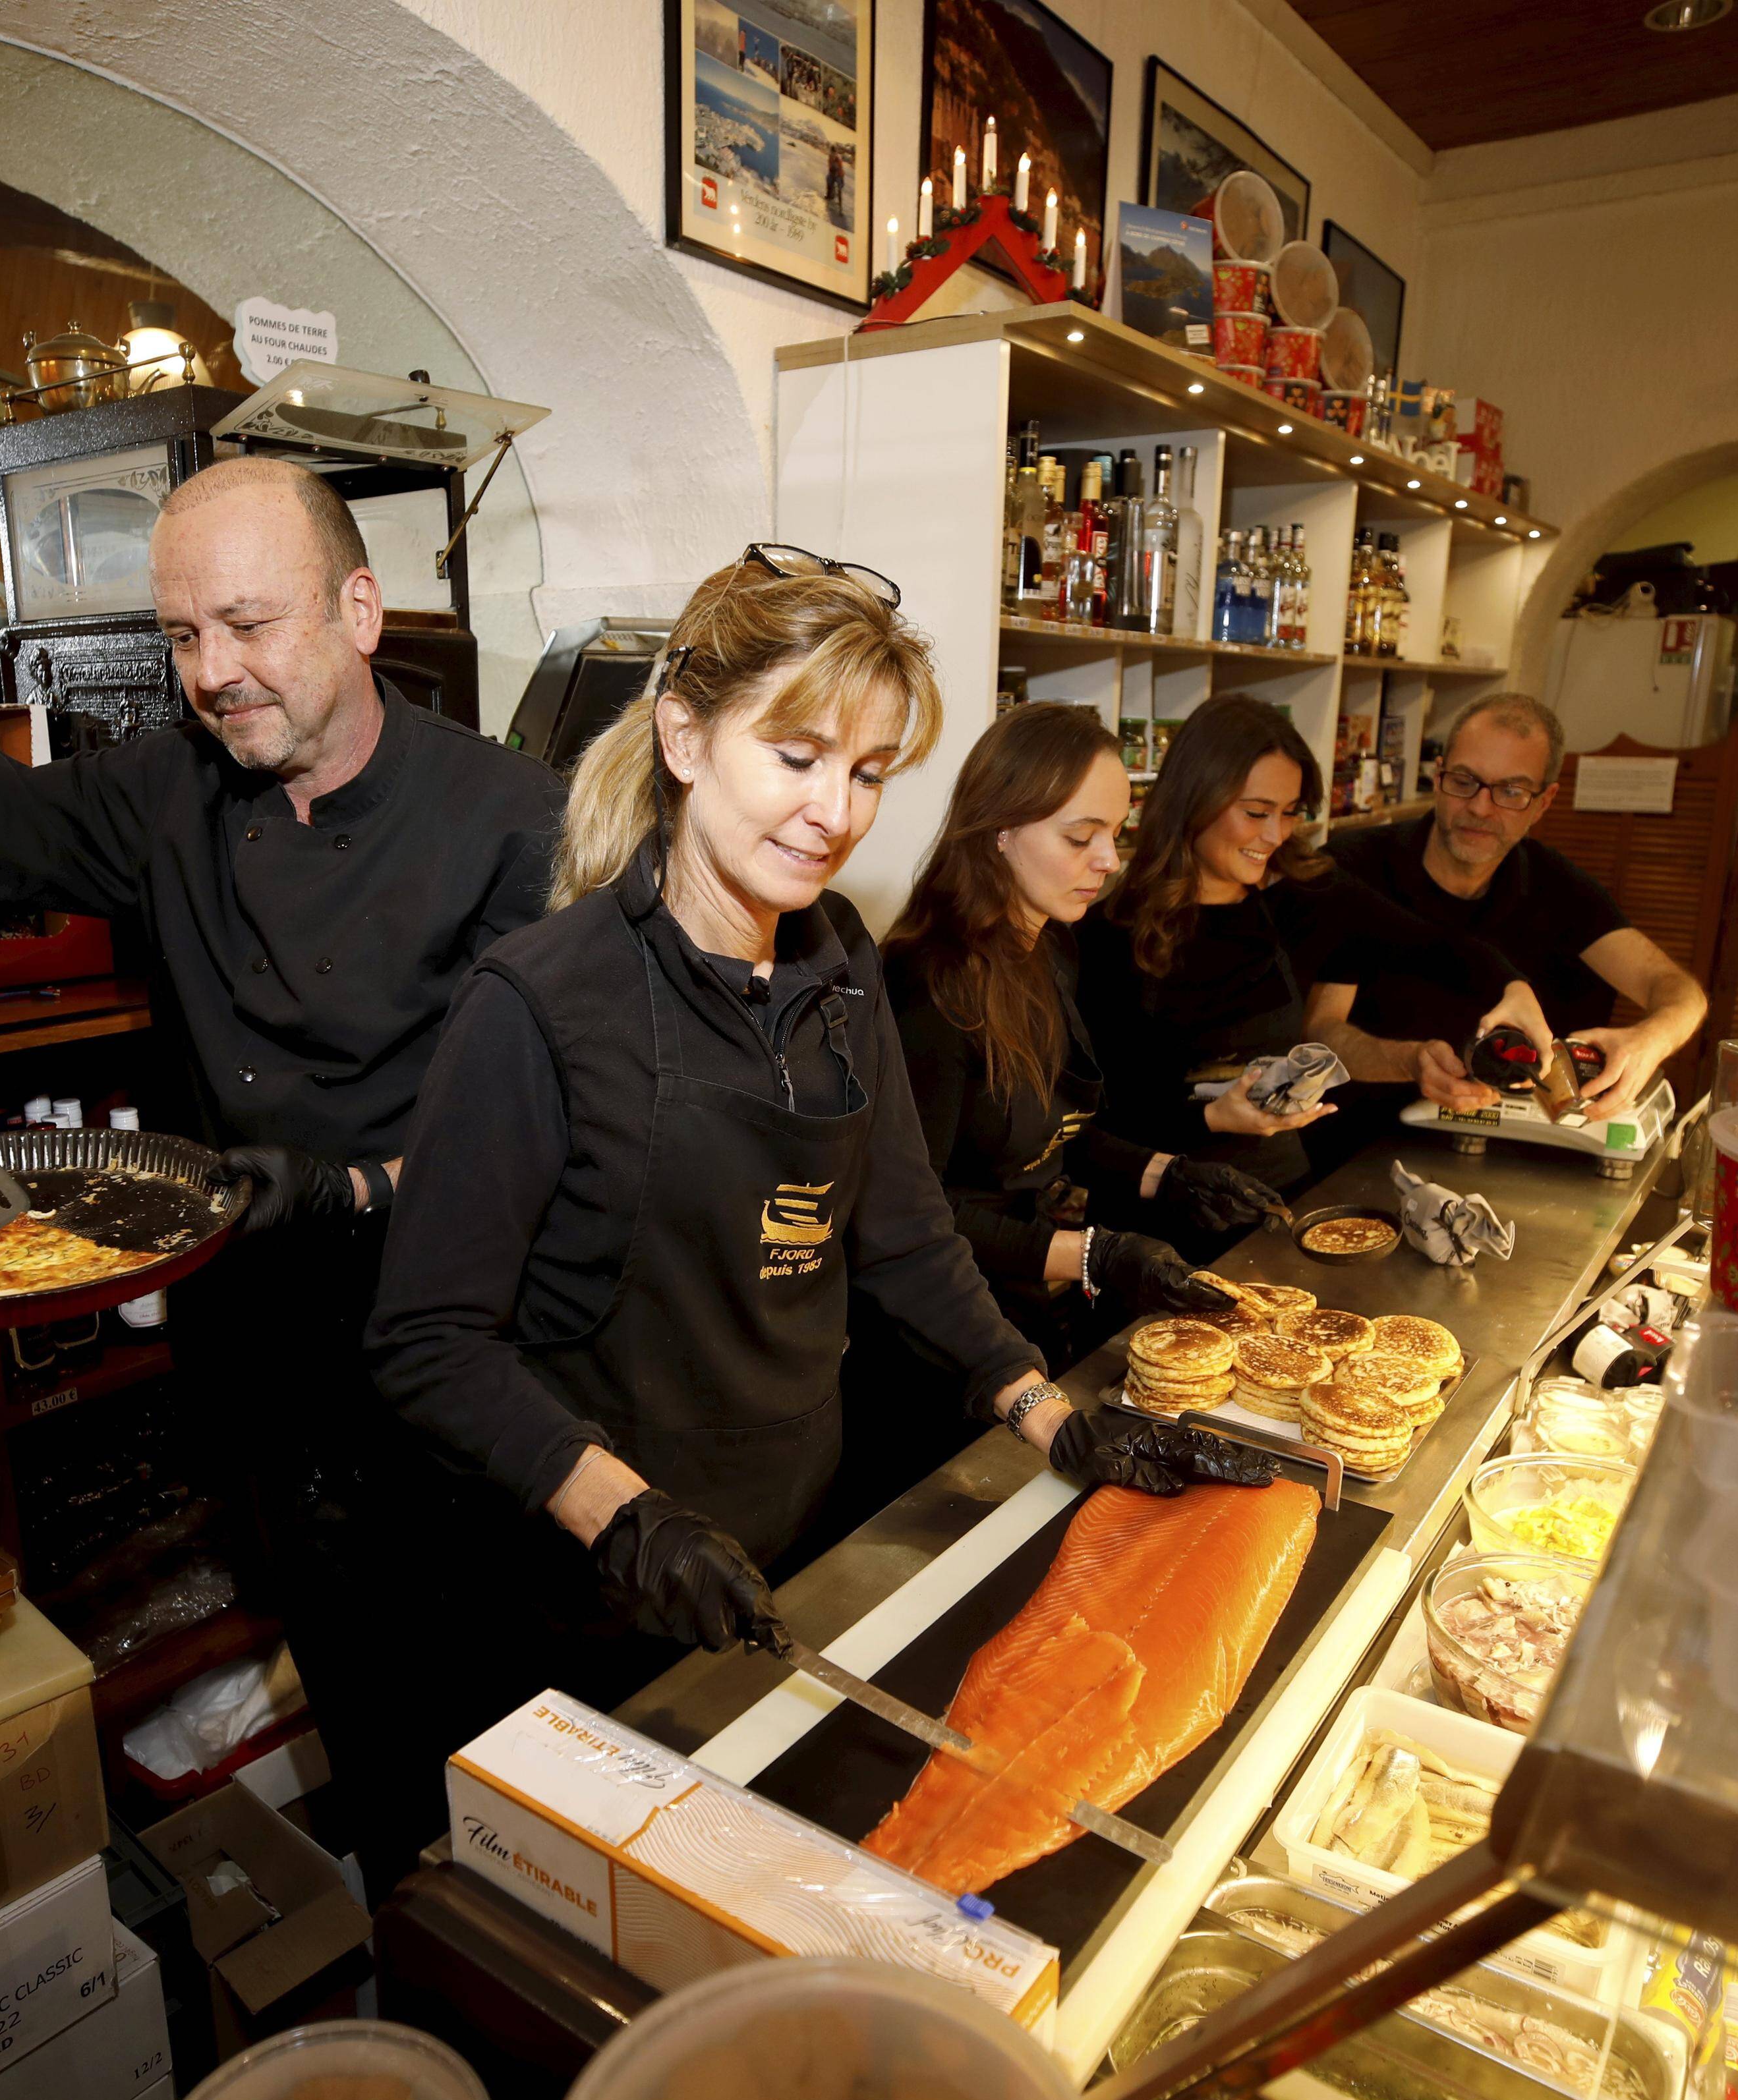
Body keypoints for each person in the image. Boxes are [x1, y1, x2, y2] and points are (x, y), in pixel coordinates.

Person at [0, 454, 564, 1898]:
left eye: (252, 626)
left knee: (526, 1763)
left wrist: (340, 1195)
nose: (213, 673)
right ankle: (423, 1974)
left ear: (361, 610)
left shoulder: (518, 821)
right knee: (386, 1764)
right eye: (183, 635)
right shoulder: (165, 789)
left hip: (459, 1383)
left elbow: (539, 1148)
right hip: (266, 1371)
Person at [367, 550, 1237, 1728]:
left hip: (801, 1530)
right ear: (683, 737)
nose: (836, 812)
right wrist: (625, 1517)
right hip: (600, 1582)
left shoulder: (843, 968)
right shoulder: (540, 1001)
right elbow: (431, 1339)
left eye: (869, 772)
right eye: (796, 758)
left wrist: (1048, 1412)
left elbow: (904, 1234)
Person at [879, 700, 1289, 1367]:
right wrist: (1093, 1254)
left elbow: (1051, 1128)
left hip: (1033, 1300)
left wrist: (1169, 1173)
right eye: (1080, 837)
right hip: (942, 1334)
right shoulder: (926, 985)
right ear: (998, 831)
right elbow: (910, 1210)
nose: (1107, 860)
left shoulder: (1051, 950)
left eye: (1115, 833)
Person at [1078, 696, 1547, 1208]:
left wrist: (1513, 987)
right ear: (1194, 799)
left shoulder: (1304, 895)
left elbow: (1436, 946)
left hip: (1280, 1199)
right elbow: (1096, 1124)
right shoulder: (1105, 936)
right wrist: (1211, 1118)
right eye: (1256, 813)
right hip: (1158, 1220)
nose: (1275, 835)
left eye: (1289, 813)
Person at [1323, 692, 1708, 1121]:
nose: (1480, 808)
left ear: (1543, 802)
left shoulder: (1556, 885)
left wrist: (1647, 1042)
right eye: (1464, 781)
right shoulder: (1357, 866)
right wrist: (1408, 1060)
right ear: (1438, 775)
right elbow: (1319, 1033)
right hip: (1354, 1140)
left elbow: (1681, 992)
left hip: (1495, 1149)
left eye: (1511, 790)